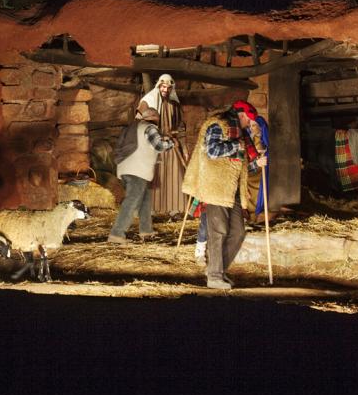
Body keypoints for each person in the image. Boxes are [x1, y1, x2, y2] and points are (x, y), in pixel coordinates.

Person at [181, 99, 267, 289]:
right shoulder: (218, 125)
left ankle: (216, 269)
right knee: (219, 231)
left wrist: (256, 165)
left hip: (233, 190)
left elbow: (241, 165)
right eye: (249, 120)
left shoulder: (241, 135)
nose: (249, 125)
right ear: (242, 115)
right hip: (216, 187)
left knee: (237, 232)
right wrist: (236, 146)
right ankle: (214, 276)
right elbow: (212, 151)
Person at [107, 106, 174, 244]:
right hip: (137, 170)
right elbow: (159, 146)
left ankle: (146, 230)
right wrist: (172, 143)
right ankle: (116, 234)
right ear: (155, 118)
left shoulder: (133, 127)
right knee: (131, 201)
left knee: (145, 200)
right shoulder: (149, 127)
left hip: (127, 169)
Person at [137, 74, 187, 215]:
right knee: (154, 175)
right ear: (158, 85)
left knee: (174, 174)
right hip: (153, 143)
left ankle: (174, 207)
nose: (166, 89)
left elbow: (181, 125)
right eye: (163, 86)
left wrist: (182, 144)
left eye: (169, 87)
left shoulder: (174, 104)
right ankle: (151, 207)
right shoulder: (148, 101)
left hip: (171, 144)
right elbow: (139, 121)